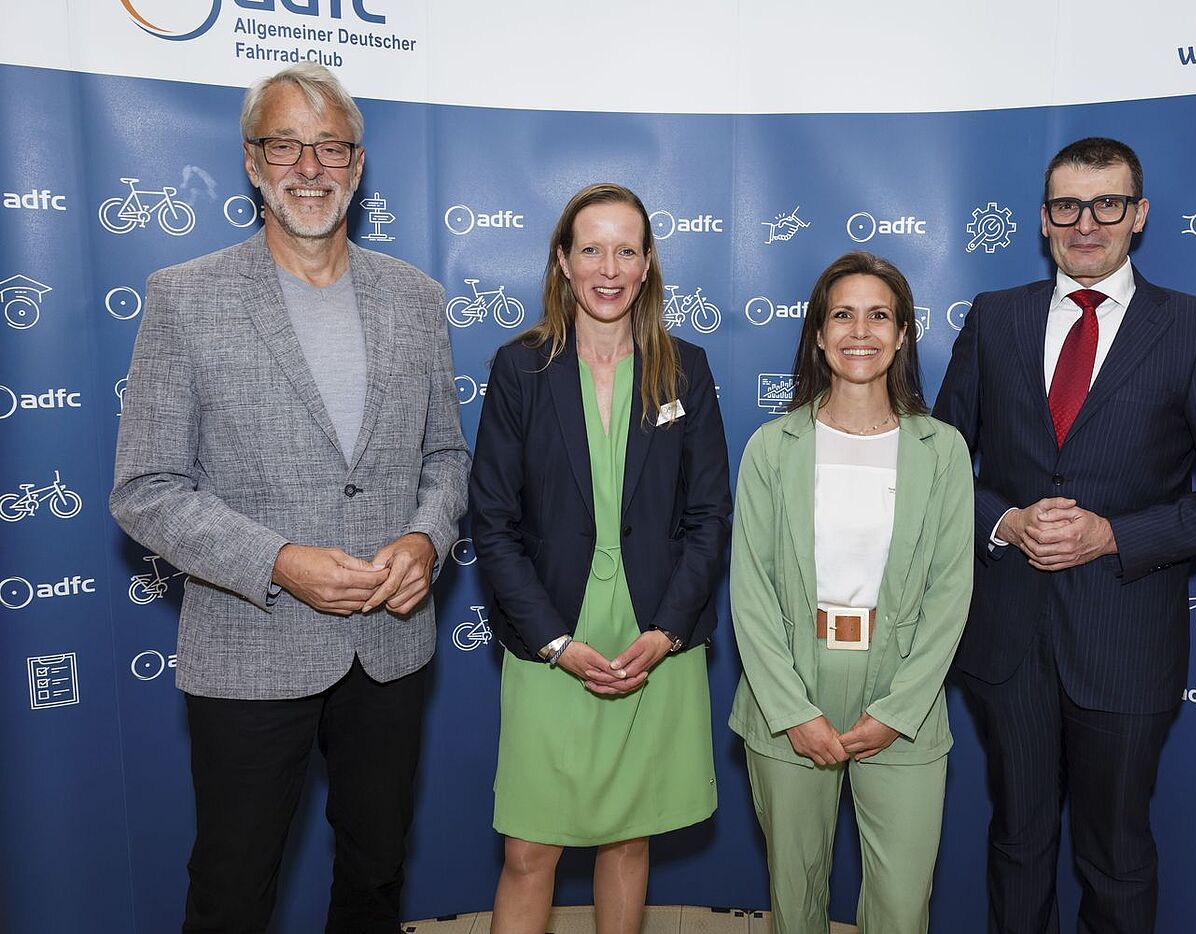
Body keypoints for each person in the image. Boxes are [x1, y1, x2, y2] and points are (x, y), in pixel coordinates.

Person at [109, 62, 470, 933]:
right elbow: (145, 489)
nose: (309, 166)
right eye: (285, 143)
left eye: (331, 146)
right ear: (250, 160)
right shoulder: (184, 298)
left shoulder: (417, 299)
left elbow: (448, 458)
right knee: (233, 887)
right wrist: (278, 562)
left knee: (377, 874)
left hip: (389, 648)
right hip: (249, 646)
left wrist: (425, 541)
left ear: (358, 161)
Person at [933, 136, 1196, 933]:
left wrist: (1114, 535)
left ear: (1139, 215)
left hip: (1125, 643)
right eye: (1067, 206)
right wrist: (1005, 521)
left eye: (1107, 205)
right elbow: (937, 463)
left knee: (1115, 853)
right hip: (1008, 639)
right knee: (1017, 842)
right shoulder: (995, 319)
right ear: (1044, 218)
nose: (1085, 223)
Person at [468, 182, 731, 934]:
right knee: (529, 851)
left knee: (628, 837)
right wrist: (554, 642)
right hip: (550, 633)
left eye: (626, 250)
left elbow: (711, 515)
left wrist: (669, 632)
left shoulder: (685, 367)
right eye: (591, 249)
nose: (608, 268)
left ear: (648, 264)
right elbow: (492, 522)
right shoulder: (521, 369)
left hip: (655, 634)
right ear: (562, 260)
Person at [729, 251, 974, 934]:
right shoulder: (769, 448)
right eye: (842, 314)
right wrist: (790, 711)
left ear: (901, 335)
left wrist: (900, 710)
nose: (859, 331)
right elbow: (749, 593)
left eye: (878, 315)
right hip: (791, 690)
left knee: (900, 909)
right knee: (796, 900)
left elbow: (952, 591)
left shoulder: (943, 450)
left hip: (906, 695)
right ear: (817, 332)